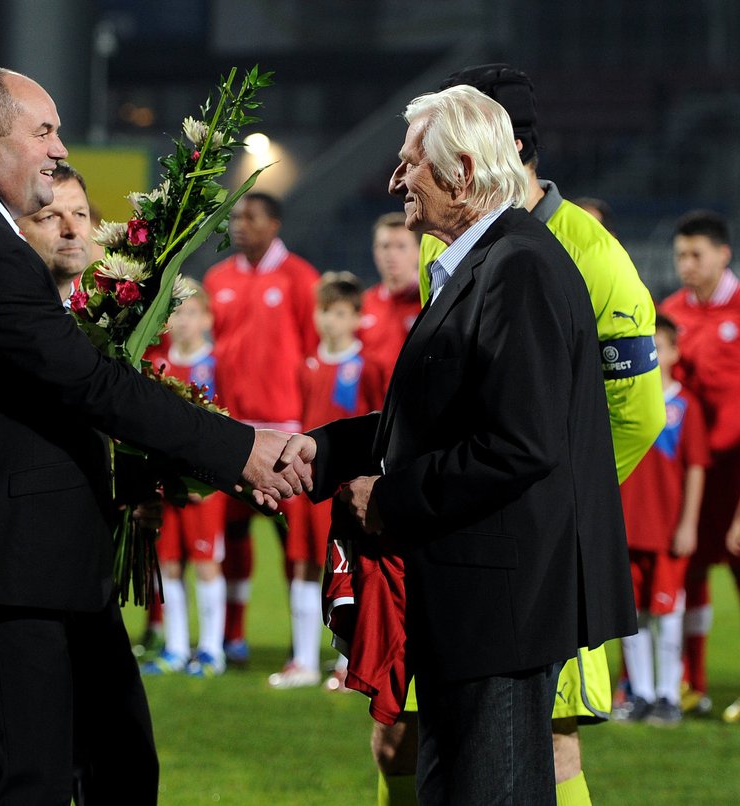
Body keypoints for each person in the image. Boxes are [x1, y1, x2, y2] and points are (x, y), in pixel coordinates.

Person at [0, 66, 309, 804]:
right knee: (21, 782)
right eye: (43, 131)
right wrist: (240, 449)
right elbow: (86, 383)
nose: (57, 147)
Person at [283, 82, 636, 806]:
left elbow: (520, 443)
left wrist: (390, 496)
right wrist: (322, 453)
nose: (394, 179)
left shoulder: (520, 269)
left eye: (410, 162)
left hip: (500, 607)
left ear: (463, 172)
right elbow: (440, 420)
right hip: (476, 598)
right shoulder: (487, 264)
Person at [375, 64, 664, 806]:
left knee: (537, 753)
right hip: (466, 554)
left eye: (413, 159)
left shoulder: (570, 255)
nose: (396, 178)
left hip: (519, 566)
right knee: (416, 745)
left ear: (475, 159)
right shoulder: (463, 248)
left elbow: (624, 416)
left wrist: (563, 508)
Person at [203, 191, 320, 665]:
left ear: (273, 224)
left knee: (294, 545)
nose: (237, 224)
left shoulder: (301, 279)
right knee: (230, 537)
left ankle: (305, 642)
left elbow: (315, 357)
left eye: (248, 217)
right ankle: (233, 637)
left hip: (286, 434)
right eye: (233, 216)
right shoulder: (217, 279)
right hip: (233, 431)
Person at [268, 272, 388, 689]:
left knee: (350, 564)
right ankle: (302, 659)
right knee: (301, 563)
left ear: (356, 317)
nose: (330, 321)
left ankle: (347, 662)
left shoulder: (369, 366)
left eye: (339, 313)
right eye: (324, 312)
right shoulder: (306, 365)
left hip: (347, 488)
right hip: (306, 485)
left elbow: (381, 426)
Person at [660, 209, 740, 722]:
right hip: (691, 472)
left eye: (696, 254)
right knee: (687, 572)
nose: (687, 264)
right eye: (680, 256)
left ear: (723, 254)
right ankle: (690, 683)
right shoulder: (670, 313)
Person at [614, 314, 708, 724]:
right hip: (626, 528)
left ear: (673, 352)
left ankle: (670, 694)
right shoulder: (622, 401)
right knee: (630, 617)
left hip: (667, 530)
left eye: (659, 346)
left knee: (668, 615)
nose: (652, 354)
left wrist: (688, 524)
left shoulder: (685, 406)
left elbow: (695, 467)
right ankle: (641, 695)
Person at [141, 281, 229, 678]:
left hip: (205, 487)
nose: (183, 321)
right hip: (167, 483)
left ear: (207, 318)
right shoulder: (159, 365)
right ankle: (176, 648)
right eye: (176, 312)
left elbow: (232, 423)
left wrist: (214, 474)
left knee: (207, 563)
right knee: (170, 563)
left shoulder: (218, 363)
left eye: (191, 312)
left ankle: (211, 649)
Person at [17, 160, 93, 304]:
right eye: (49, 217)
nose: (72, 229)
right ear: (15, 227)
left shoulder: (114, 313)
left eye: (80, 214)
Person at [358, 212, 423, 375]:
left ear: (418, 252)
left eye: (401, 246)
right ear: (375, 252)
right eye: (385, 246)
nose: (391, 254)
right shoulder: (363, 304)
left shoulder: (429, 301)